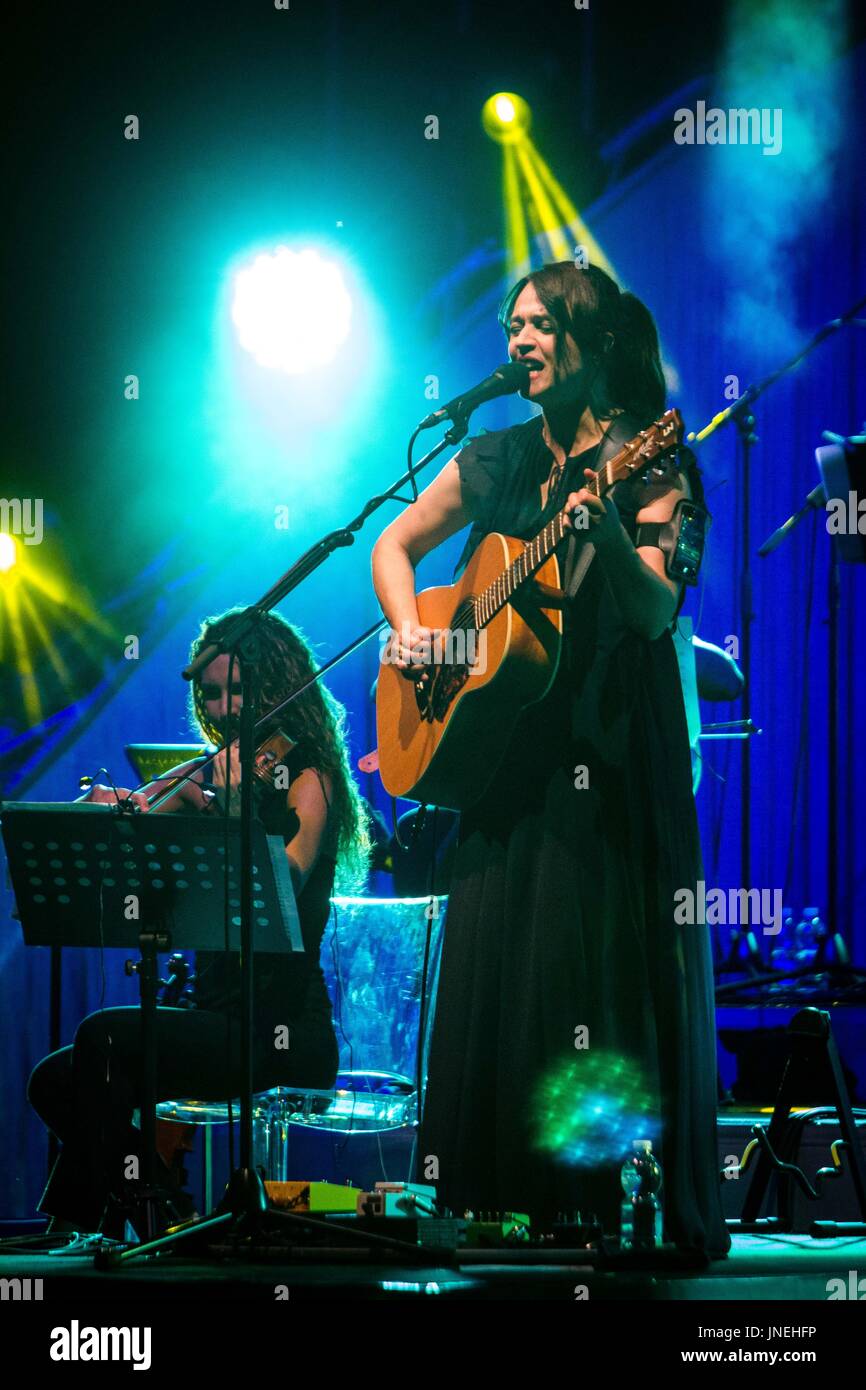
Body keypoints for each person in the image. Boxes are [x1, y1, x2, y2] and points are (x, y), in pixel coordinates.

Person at [371, 262, 730, 1256]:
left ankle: (608, 1206)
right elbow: (393, 545)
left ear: (590, 342)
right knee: (503, 955)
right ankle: (501, 1199)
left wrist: (604, 533)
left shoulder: (652, 458)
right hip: (505, 750)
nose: (518, 341)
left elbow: (658, 608)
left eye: (539, 326)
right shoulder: (490, 458)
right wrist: (415, 636)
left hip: (608, 741)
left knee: (591, 962)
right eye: (511, 325)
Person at [27, 607, 370, 1236]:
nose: (220, 707)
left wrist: (236, 813)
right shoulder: (209, 772)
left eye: (236, 689)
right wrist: (118, 811)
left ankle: (87, 1230)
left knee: (103, 1038)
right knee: (53, 1079)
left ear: (272, 683)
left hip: (279, 1029)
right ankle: (163, 1202)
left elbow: (286, 883)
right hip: (215, 1018)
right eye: (209, 693)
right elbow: (138, 814)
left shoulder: (306, 777)